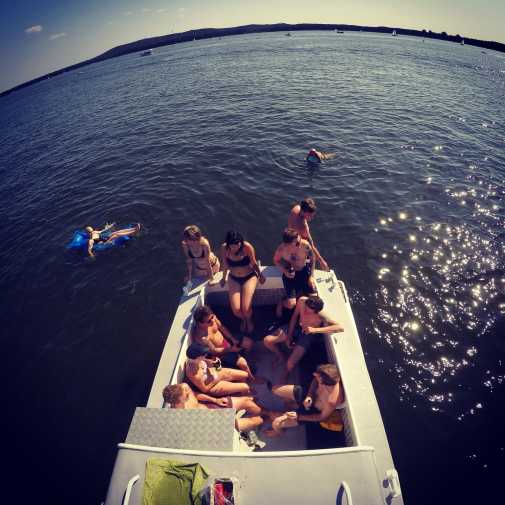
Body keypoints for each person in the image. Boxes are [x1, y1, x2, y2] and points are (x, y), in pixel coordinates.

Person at [263, 296, 344, 378]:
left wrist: (315, 330)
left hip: (308, 335)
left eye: (308, 310)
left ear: (316, 311)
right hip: (296, 328)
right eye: (306, 307)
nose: (305, 311)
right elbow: (294, 317)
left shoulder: (321, 314)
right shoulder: (302, 301)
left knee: (290, 363)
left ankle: (283, 378)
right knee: (267, 341)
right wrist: (289, 336)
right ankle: (281, 356)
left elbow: (340, 327)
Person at [265, 363, 345, 437]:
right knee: (275, 389)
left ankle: (279, 433)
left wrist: (298, 416)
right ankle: (292, 405)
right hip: (309, 396)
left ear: (324, 383)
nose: (314, 375)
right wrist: (309, 395)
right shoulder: (328, 375)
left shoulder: (332, 400)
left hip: (311, 411)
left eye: (318, 377)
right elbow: (315, 380)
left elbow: (321, 417)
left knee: (276, 423)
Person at [163, 382, 263, 433]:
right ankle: (267, 419)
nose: (187, 392)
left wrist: (215, 400)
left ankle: (265, 412)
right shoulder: (177, 415)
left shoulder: (184, 387)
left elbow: (196, 395)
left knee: (246, 402)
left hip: (212, 407)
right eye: (185, 395)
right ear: (177, 401)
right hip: (216, 423)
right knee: (253, 422)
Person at [220, 231, 265, 333]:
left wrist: (260, 275)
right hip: (233, 278)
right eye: (233, 244)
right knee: (236, 310)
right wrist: (223, 278)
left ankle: (248, 320)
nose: (236, 246)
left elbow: (253, 263)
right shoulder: (224, 248)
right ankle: (243, 320)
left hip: (249, 277)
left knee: (246, 308)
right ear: (228, 243)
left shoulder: (247, 247)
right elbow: (225, 264)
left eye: (238, 243)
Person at [273, 228, 316, 316]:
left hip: (303, 272)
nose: (299, 243)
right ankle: (282, 302)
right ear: (287, 244)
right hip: (289, 275)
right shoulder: (281, 249)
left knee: (314, 299)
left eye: (299, 240)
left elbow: (313, 259)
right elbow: (276, 260)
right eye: (296, 243)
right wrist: (284, 271)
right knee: (291, 304)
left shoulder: (305, 245)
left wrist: (311, 276)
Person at [185, 342, 252, 396]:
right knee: (245, 387)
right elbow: (204, 390)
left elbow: (215, 366)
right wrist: (216, 380)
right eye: (204, 354)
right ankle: (245, 396)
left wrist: (216, 364)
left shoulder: (196, 360)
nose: (206, 355)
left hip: (215, 374)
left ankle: (239, 391)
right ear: (197, 357)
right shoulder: (193, 373)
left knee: (245, 375)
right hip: (212, 386)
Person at [288, 198, 329, 271]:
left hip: (289, 237)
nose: (312, 218)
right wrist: (321, 260)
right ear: (303, 211)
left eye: (312, 215)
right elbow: (311, 244)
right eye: (310, 215)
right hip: (297, 245)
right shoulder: (302, 227)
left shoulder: (296, 208)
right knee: (309, 259)